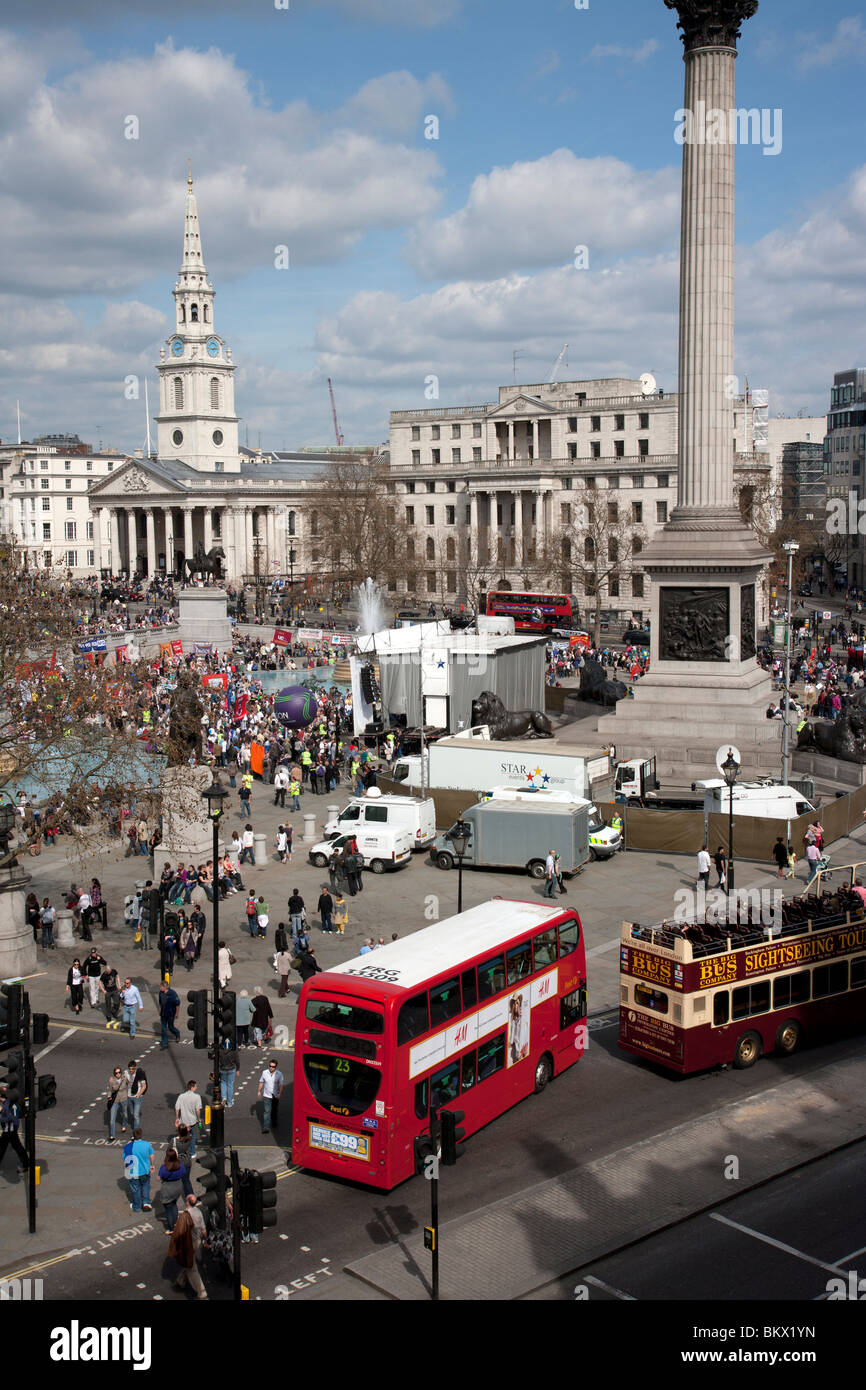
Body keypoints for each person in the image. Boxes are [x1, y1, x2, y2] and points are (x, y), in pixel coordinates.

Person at [168, 1202, 208, 1299]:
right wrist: (206, 1240)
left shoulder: (185, 1216)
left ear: (187, 1202)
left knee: (191, 1268)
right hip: (197, 1242)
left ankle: (202, 1293)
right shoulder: (198, 1211)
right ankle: (180, 1281)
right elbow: (204, 1230)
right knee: (189, 1263)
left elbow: (180, 1232)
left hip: (189, 1244)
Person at [123, 1127, 155, 1212]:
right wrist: (152, 1165)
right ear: (141, 1135)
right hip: (145, 1170)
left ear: (133, 1136)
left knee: (135, 1189)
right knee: (145, 1186)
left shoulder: (128, 1147)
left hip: (133, 1172)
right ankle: (146, 1202)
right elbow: (151, 1156)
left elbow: (125, 1159)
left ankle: (136, 1206)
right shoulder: (146, 1144)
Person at [158, 1149, 189, 1233]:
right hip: (178, 1187)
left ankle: (172, 1228)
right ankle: (176, 1223)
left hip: (168, 1189)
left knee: (168, 1209)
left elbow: (159, 1178)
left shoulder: (164, 1168)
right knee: (174, 1204)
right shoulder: (181, 1165)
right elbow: (183, 1173)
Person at [0, 1086, 29, 1174]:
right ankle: (26, 1164)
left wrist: (1, 1112)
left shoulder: (7, 1105)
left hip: (8, 1131)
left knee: (1, 1148)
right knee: (18, 1147)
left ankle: (26, 1165)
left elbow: (9, 1118)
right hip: (12, 1131)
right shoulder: (13, 1103)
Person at [175, 1081, 203, 1158]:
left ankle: (182, 1151)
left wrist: (177, 1118)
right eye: (195, 1086)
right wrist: (199, 1118)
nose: (196, 1088)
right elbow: (198, 1110)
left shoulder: (181, 1096)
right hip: (192, 1121)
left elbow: (177, 1108)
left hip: (183, 1120)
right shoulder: (197, 1097)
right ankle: (192, 1152)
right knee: (193, 1136)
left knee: (182, 1136)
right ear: (192, 1087)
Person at [257, 1058, 284, 1133]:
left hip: (275, 1095)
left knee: (274, 1110)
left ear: (276, 1067)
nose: (271, 1068)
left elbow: (281, 1085)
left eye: (273, 1067)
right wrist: (259, 1091)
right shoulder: (264, 1073)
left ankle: (274, 1121)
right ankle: (266, 1127)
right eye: (270, 1066)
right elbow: (261, 1082)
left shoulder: (279, 1074)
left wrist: (279, 1094)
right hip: (266, 1095)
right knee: (267, 1111)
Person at [125, 1059, 148, 1129]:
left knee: (135, 1115)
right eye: (130, 1069)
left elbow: (144, 1086)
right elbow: (124, 1082)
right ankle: (135, 1124)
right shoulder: (126, 1072)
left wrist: (138, 1095)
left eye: (133, 1069)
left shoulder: (139, 1073)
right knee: (132, 1113)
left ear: (135, 1067)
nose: (131, 1070)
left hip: (137, 1096)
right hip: (129, 1095)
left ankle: (136, 1131)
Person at [108, 1067, 129, 1140]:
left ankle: (124, 1125)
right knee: (112, 1119)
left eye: (119, 1072)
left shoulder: (124, 1078)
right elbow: (110, 1090)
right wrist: (109, 1096)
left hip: (123, 1098)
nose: (118, 1074)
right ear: (114, 1074)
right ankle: (112, 1135)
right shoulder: (112, 1080)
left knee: (125, 1115)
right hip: (115, 1100)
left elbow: (130, 1083)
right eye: (116, 1073)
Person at [159, 981, 181, 1048]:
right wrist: (160, 1010)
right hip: (163, 1013)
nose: (160, 988)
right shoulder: (161, 993)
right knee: (163, 1028)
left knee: (171, 1027)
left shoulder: (172, 993)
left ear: (165, 987)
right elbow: (160, 1002)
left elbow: (177, 1004)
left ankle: (177, 1033)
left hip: (171, 1013)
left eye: (161, 987)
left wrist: (177, 1013)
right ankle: (164, 1043)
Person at [219, 1038, 239, 1107]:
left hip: (223, 1068)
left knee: (223, 1083)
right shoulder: (233, 1050)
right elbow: (237, 1060)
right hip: (231, 1069)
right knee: (230, 1085)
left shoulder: (220, 1050)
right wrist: (238, 1069)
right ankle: (229, 1102)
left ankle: (224, 1097)